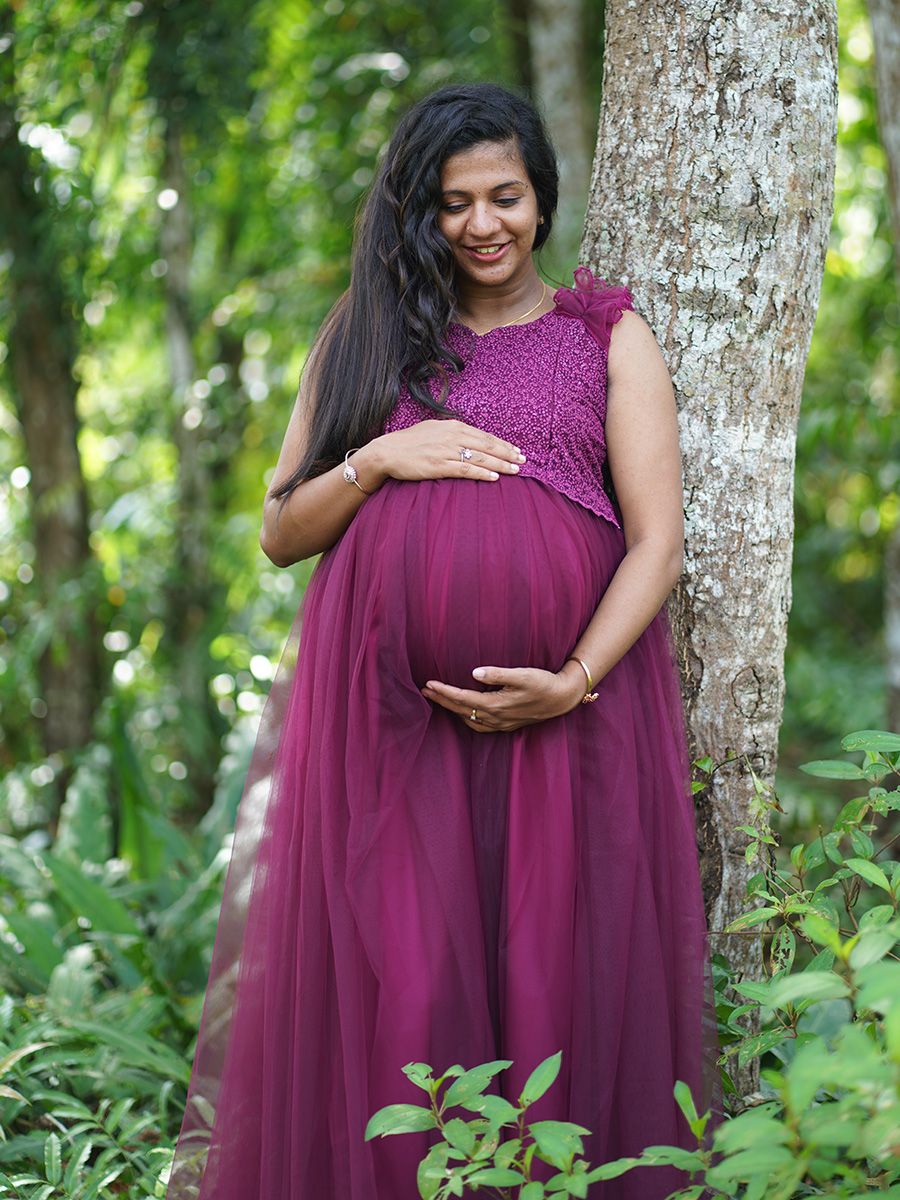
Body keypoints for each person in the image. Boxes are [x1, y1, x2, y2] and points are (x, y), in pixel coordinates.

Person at [165, 81, 724, 1200]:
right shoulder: (368, 335)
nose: (483, 225)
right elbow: (281, 530)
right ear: (419, 212)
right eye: (454, 202)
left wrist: (569, 681)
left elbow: (657, 545)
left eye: (505, 196)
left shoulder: (604, 334)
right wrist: (379, 460)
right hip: (390, 732)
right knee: (408, 992)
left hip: (560, 740)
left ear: (541, 196)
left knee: (549, 992)